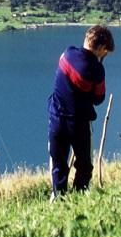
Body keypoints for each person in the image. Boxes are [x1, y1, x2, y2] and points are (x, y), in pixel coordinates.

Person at [48, 24, 114, 198]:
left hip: (55, 117)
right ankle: (78, 199)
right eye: (105, 50)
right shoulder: (96, 69)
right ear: (100, 48)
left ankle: (58, 199)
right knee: (84, 166)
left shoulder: (67, 53)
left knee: (59, 165)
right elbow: (98, 99)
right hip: (78, 123)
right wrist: (99, 63)